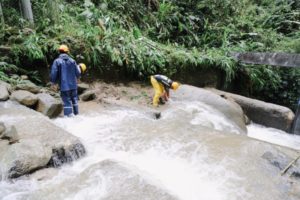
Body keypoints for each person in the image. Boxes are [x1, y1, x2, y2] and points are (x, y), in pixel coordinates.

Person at [50, 44, 83, 117]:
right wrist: (78, 78)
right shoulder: (72, 61)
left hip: (64, 86)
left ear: (59, 51)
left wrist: (53, 82)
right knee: (74, 99)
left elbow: (54, 72)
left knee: (66, 100)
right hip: (73, 85)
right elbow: (77, 72)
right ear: (67, 52)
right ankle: (76, 114)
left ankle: (68, 117)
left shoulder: (57, 61)